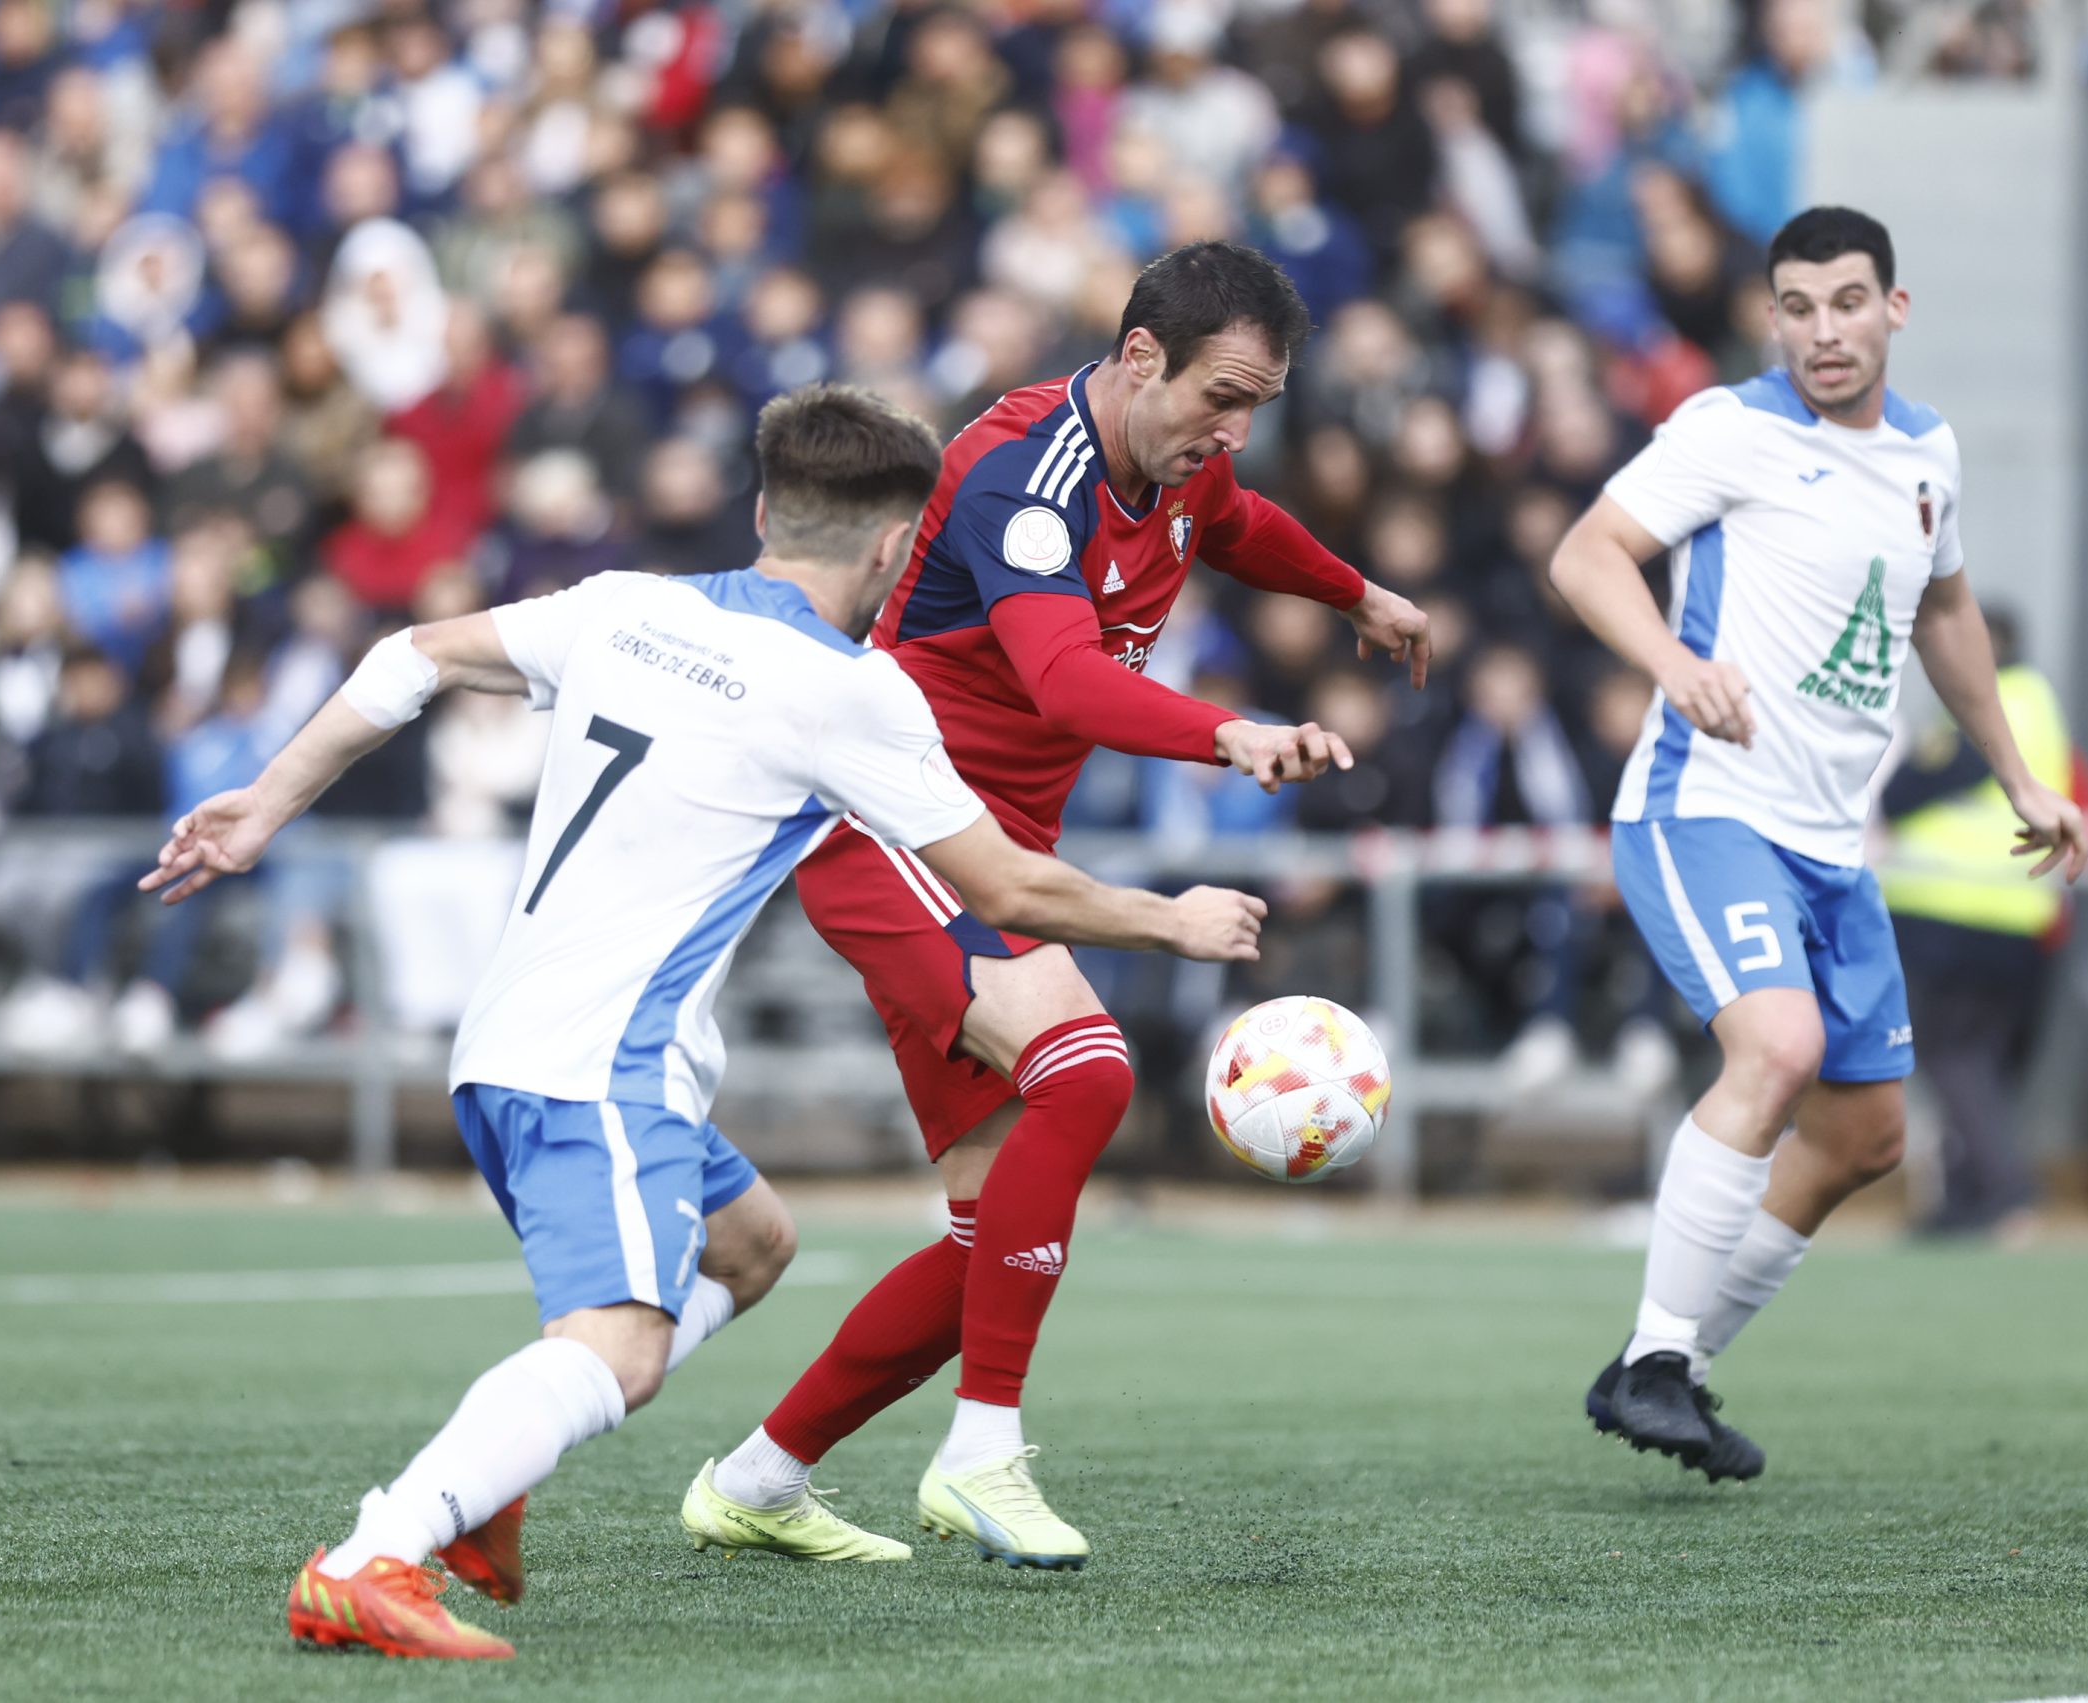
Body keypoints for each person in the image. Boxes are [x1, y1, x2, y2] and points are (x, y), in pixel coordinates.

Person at [137, 386, 1269, 1660]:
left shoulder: (625, 603)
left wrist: (262, 806)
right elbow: (1004, 885)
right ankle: (373, 1552)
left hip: (510, 1039)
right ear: (899, 548)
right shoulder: (853, 691)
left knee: (751, 1248)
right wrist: (1170, 920)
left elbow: (411, 655)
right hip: (600, 1063)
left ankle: (488, 1483)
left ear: (760, 510)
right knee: (622, 1350)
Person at [688, 241, 1430, 1573]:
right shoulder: (1026, 478)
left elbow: (1239, 525)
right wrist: (1231, 734)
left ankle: (757, 1475)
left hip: (984, 839)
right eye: (1221, 396)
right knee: (1086, 1071)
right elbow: (1067, 686)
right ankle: (981, 1452)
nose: (1236, 429)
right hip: (893, 821)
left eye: (1258, 402)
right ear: (1141, 354)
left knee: (989, 1231)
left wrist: (1356, 590)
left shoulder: (1180, 465)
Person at [1546, 206, 2087, 1483]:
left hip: (1833, 848)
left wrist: (2017, 773)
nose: (1822, 329)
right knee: (1777, 1048)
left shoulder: (1928, 455)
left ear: (1894, 309)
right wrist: (1672, 663)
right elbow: (1587, 555)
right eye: (1797, 305)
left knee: (1865, 1140)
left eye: (1847, 301)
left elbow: (1945, 610)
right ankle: (1664, 1353)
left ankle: (1655, 1366)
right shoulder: (1728, 428)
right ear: (1770, 315)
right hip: (1706, 808)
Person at [1878, 606, 2074, 1237]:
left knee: (1953, 1058)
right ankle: (1965, 1198)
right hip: (2018, 914)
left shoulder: (1982, 705)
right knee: (1984, 1062)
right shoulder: (2040, 703)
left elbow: (1906, 791)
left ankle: (2006, 1190)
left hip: (1953, 908)